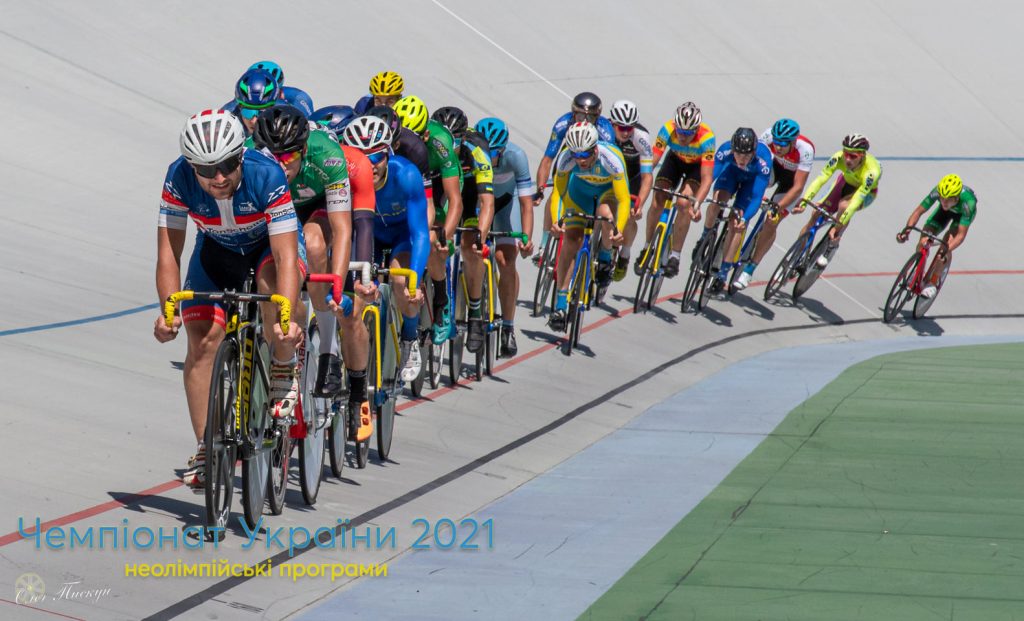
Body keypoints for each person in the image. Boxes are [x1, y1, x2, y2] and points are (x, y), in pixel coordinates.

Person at [154, 110, 304, 490]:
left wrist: (285, 318)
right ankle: (207, 447)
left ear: (241, 155)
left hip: (265, 249)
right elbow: (169, 252)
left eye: (227, 165)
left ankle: (283, 369)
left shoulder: (265, 174)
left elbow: (287, 255)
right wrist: (168, 312)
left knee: (274, 292)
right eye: (207, 170)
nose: (218, 178)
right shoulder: (177, 177)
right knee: (202, 342)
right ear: (191, 166)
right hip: (216, 250)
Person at [250, 105, 377, 399]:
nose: (280, 164)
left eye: (289, 156)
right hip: (274, 207)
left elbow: (343, 229)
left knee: (315, 242)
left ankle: (328, 348)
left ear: (304, 150)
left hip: (314, 206)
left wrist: (336, 284)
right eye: (272, 156)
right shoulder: (250, 153)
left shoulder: (327, 156)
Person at [341, 116, 429, 384]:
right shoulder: (345, 179)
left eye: (377, 157)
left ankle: (409, 337)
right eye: (362, 158)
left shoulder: (407, 175)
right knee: (357, 295)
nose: (370, 165)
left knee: (401, 279)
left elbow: (421, 233)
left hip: (401, 235)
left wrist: (414, 278)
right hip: (369, 238)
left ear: (389, 153)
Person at [393, 95, 464, 346]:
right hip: (409, 185)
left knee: (433, 240)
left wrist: (444, 234)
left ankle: (441, 301)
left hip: (438, 187)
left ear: (424, 135)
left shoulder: (441, 143)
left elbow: (455, 200)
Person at [547, 122, 629, 331]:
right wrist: (557, 221)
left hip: (606, 194)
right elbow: (558, 193)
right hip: (579, 194)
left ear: (594, 149)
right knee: (571, 239)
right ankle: (560, 303)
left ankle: (604, 255)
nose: (580, 160)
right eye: (576, 155)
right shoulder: (567, 158)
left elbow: (623, 199)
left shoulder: (611, 158)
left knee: (605, 215)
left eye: (584, 155)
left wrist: (618, 230)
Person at [431, 106, 495, 353]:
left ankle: (476, 313)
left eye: (454, 140)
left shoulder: (476, 151)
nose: (449, 144)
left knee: (470, 247)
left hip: (469, 196)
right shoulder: (434, 147)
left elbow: (487, 202)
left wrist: (481, 236)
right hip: (443, 190)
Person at [475, 117, 535, 356]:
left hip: (505, 206)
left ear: (504, 149)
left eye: (494, 154)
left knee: (505, 260)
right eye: (485, 153)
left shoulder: (516, 156)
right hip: (480, 204)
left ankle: (508, 326)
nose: (489, 159)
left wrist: (526, 237)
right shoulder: (471, 153)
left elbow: (526, 204)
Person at [532, 92, 616, 264]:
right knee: (557, 191)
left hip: (594, 161)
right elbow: (548, 158)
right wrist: (540, 188)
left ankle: (602, 247)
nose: (584, 120)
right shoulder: (563, 123)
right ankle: (544, 244)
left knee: (601, 204)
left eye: (590, 117)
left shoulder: (605, 129)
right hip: (571, 155)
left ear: (597, 117)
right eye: (580, 115)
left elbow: (611, 161)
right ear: (573, 113)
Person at [734, 118, 815, 290]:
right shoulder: (767, 136)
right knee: (751, 191)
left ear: (793, 142)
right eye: (776, 142)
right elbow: (757, 165)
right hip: (773, 170)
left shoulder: (805, 150)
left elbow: (798, 187)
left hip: (790, 183)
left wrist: (778, 207)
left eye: (783, 144)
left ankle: (750, 269)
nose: (778, 147)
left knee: (772, 221)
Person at [647, 102, 716, 277]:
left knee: (684, 203)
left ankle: (675, 256)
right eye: (680, 131)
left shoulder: (706, 138)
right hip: (675, 161)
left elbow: (707, 177)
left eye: (688, 133)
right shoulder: (667, 129)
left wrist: (697, 204)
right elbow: (652, 162)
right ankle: (648, 247)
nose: (683, 136)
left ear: (696, 129)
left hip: (695, 167)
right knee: (658, 198)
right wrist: (644, 182)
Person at [800, 133, 883, 267]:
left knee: (844, 206)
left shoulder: (872, 172)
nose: (848, 159)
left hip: (864, 193)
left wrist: (838, 225)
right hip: (844, 182)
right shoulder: (838, 157)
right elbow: (822, 178)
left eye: (853, 156)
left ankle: (831, 245)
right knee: (816, 214)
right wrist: (805, 200)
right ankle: (795, 256)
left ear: (862, 155)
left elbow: (856, 200)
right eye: (846, 154)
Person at [706, 127, 773, 293]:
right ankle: (704, 238)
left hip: (750, 184)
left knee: (736, 223)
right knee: (716, 202)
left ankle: (722, 273)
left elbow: (757, 197)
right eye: (738, 154)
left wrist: (745, 219)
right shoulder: (725, 150)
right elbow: (710, 178)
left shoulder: (763, 163)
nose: (742, 159)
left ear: (754, 153)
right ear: (733, 149)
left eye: (747, 155)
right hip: (731, 174)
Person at [897, 174, 976, 298]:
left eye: (948, 199)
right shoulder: (937, 191)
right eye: (942, 198)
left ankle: (932, 282)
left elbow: (960, 236)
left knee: (944, 249)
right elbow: (918, 211)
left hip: (960, 218)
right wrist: (906, 231)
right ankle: (917, 270)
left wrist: (947, 250)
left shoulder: (968, 204)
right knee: (923, 240)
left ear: (956, 198)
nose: (944, 201)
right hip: (942, 214)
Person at [607, 99, 653, 280]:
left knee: (629, 215)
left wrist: (639, 203)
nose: (626, 132)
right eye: (621, 128)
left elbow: (647, 176)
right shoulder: (604, 132)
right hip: (609, 173)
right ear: (612, 123)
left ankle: (624, 254)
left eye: (630, 128)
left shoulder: (641, 138)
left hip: (631, 176)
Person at [232, 68, 280, 133]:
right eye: (248, 112)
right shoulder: (229, 115)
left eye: (262, 112)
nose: (254, 121)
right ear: (239, 107)